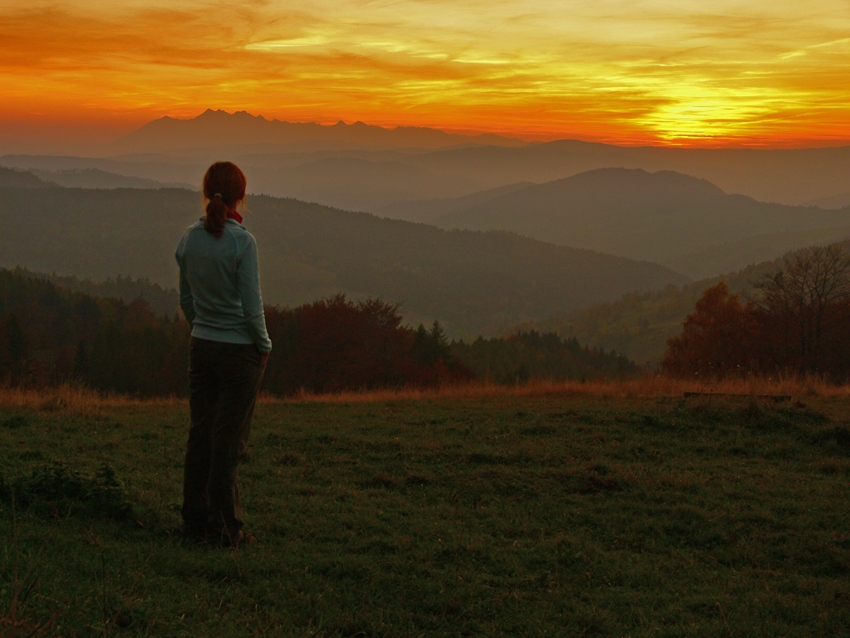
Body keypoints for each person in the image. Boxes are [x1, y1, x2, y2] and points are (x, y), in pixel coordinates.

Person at [175, 161, 272, 547]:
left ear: (206, 193)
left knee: (200, 436)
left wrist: (204, 325)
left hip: (202, 345)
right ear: (240, 196)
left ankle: (194, 520)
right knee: (228, 441)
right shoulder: (242, 242)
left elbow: (186, 299)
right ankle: (225, 528)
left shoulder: (188, 239)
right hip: (239, 353)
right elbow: (252, 306)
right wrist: (263, 345)